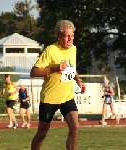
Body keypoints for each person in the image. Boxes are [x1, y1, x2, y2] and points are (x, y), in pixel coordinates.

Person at [30, 20, 86, 150]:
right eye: (67, 36)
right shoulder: (50, 50)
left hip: (67, 97)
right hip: (49, 99)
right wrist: (55, 68)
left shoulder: (73, 49)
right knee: (42, 133)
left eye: (72, 35)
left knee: (75, 127)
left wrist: (78, 80)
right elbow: (34, 72)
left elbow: (72, 67)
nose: (70, 39)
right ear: (58, 35)